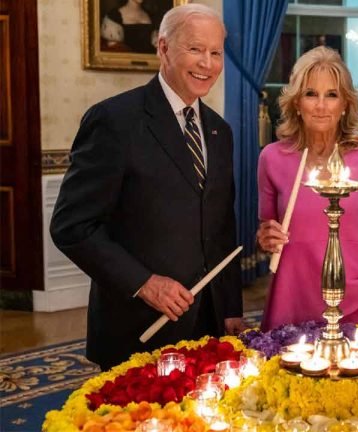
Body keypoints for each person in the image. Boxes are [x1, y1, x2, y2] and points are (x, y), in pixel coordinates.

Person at [50, 4, 245, 371]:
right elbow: (71, 227)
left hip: (208, 323)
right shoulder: (114, 121)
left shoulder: (221, 131)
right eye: (195, 49)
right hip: (138, 325)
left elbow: (221, 226)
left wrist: (230, 305)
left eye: (216, 53)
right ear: (163, 48)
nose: (207, 63)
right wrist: (145, 283)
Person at [256, 46, 358, 331]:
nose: (320, 105)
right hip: (296, 293)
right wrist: (265, 238)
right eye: (310, 94)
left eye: (331, 95)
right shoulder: (271, 158)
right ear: (296, 102)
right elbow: (267, 232)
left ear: (345, 104)